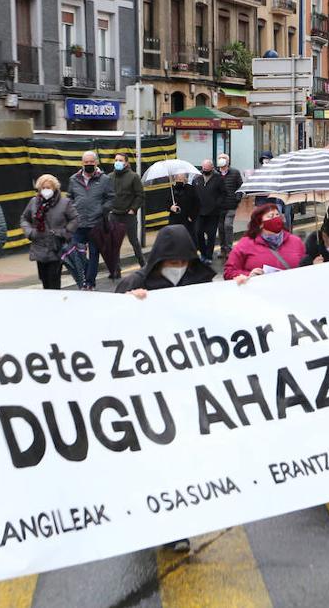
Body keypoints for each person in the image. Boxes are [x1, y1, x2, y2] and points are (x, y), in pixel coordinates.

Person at [115, 223, 217, 553]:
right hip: (149, 391)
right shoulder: (135, 283)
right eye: (172, 263)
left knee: (183, 461)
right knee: (156, 462)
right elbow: (110, 330)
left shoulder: (200, 283)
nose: (178, 268)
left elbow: (221, 318)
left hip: (189, 390)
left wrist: (243, 288)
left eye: (183, 262)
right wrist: (128, 305)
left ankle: (178, 525)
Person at [20, 174, 79, 290]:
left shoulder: (64, 202)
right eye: (43, 188)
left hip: (56, 247)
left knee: (54, 280)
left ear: (55, 188)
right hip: (39, 247)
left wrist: (64, 233)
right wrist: (30, 232)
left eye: (48, 187)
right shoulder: (34, 202)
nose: (46, 190)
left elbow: (75, 219)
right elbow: (24, 219)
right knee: (44, 280)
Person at [67, 151, 114, 289]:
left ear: (96, 163)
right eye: (86, 162)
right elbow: (69, 197)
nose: (89, 164)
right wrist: (72, 210)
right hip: (79, 223)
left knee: (94, 254)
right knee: (74, 252)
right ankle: (86, 273)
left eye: (91, 162)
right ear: (82, 163)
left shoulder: (104, 179)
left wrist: (103, 209)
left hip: (96, 224)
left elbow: (111, 198)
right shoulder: (73, 179)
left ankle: (90, 283)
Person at [224, 203, 305, 282]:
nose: (276, 218)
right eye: (271, 216)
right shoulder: (246, 244)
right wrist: (249, 275)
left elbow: (306, 267)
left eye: (277, 215)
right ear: (260, 224)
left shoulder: (295, 241)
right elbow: (229, 272)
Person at [104, 153, 146, 279]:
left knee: (134, 241)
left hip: (128, 215)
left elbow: (140, 195)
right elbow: (105, 194)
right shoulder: (109, 177)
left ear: (126, 163)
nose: (117, 162)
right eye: (116, 160)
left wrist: (133, 209)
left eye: (120, 160)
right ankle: (116, 270)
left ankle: (143, 265)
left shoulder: (133, 177)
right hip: (114, 214)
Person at [193, 159, 224, 264]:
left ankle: (209, 256)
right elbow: (193, 195)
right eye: (203, 168)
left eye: (207, 168)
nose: (205, 170)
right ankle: (203, 253)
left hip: (213, 213)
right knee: (198, 233)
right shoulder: (197, 179)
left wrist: (217, 204)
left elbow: (223, 194)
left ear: (212, 168)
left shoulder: (218, 179)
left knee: (211, 235)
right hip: (199, 213)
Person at [216, 153, 244, 259]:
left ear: (228, 161)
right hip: (219, 206)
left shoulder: (235, 173)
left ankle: (229, 249)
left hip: (231, 205)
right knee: (221, 228)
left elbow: (240, 187)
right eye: (220, 158)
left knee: (228, 225)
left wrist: (237, 199)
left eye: (223, 158)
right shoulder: (215, 174)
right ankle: (222, 249)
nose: (221, 160)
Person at [168, 173, 200, 237]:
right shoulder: (172, 189)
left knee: (188, 236)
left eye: (181, 179)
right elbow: (167, 203)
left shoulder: (191, 189)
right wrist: (171, 207)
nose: (179, 181)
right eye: (177, 179)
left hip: (187, 219)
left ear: (185, 179)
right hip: (175, 219)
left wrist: (192, 216)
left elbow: (197, 204)